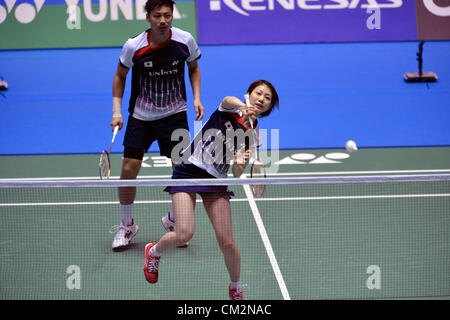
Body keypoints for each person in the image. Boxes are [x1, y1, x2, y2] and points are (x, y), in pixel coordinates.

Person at [142, 80, 279, 300]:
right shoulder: (232, 107)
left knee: (227, 242)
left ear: (269, 107)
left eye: (267, 98)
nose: (261, 99)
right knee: (184, 233)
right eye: (258, 93)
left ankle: (235, 286)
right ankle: (153, 252)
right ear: (248, 94)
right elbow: (226, 100)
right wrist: (243, 107)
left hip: (216, 181)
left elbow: (236, 172)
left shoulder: (254, 136)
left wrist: (238, 160)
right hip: (189, 171)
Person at [110, 0, 204, 251]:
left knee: (183, 172)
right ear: (148, 18)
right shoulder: (134, 46)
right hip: (141, 116)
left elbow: (194, 68)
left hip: (174, 114)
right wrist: (116, 111)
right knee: (129, 169)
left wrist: (196, 97)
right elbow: (120, 76)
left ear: (172, 16)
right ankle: (127, 225)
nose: (163, 20)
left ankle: (173, 220)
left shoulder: (185, 40)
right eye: (157, 16)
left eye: (167, 15)